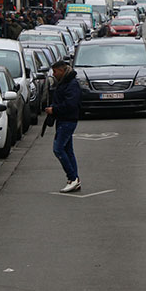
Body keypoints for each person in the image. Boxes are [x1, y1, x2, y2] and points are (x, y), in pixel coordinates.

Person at [45, 61, 82, 193]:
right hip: (64, 120)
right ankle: (74, 179)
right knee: (68, 150)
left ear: (62, 70)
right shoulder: (66, 82)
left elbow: (70, 104)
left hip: (67, 120)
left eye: (55, 72)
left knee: (58, 149)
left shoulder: (71, 84)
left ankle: (72, 178)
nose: (54, 75)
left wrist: (54, 110)